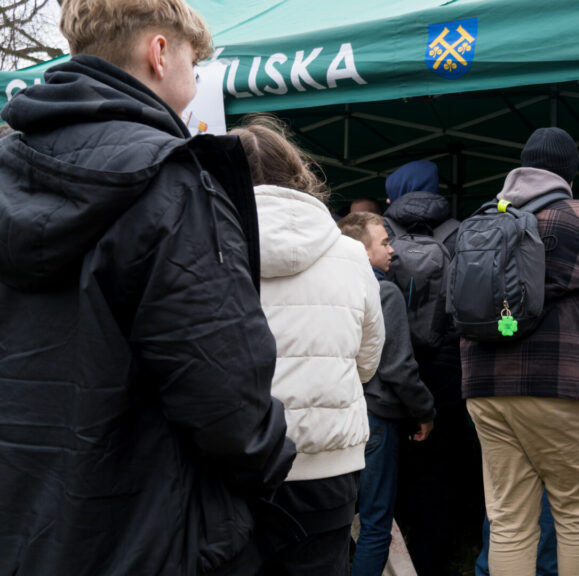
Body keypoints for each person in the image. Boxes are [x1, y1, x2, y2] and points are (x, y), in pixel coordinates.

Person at [0, 1, 295, 574]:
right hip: (150, 531)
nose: (195, 77)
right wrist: (272, 455)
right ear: (159, 53)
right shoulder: (170, 183)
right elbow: (228, 403)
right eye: (194, 61)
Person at [230, 115, 385, 575]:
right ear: (299, 173)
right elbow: (369, 359)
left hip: (235, 459)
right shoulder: (352, 254)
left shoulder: (206, 242)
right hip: (327, 464)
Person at [462, 126, 579, 575]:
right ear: (568, 174)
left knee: (509, 517)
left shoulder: (484, 216)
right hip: (557, 384)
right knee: (576, 510)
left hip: (482, 385)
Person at [382, 159, 470, 575]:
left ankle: (395, 563)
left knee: (392, 471)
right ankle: (434, 559)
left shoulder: (378, 233)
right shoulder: (459, 232)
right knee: (440, 469)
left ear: (393, 193)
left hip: (389, 370)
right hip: (446, 369)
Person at [339, 212, 436, 576]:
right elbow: (397, 366)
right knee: (376, 521)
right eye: (384, 242)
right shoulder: (384, 291)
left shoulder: (330, 288)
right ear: (363, 252)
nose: (392, 249)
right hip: (376, 419)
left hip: (337, 415)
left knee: (333, 518)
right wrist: (425, 411)